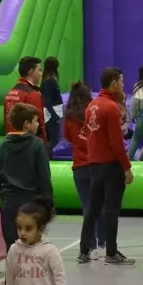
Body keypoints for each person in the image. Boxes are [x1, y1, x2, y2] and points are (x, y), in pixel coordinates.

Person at [77, 67, 136, 266]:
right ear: (114, 84)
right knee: (111, 210)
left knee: (93, 208)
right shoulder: (111, 107)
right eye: (122, 82)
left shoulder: (91, 106)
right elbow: (116, 142)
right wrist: (126, 168)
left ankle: (84, 250)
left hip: (94, 165)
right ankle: (111, 252)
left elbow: (88, 136)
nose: (123, 85)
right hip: (111, 166)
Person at [0, 103, 52, 252]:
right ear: (26, 124)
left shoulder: (3, 145)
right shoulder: (38, 145)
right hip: (31, 205)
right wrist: (48, 206)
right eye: (35, 121)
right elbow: (44, 178)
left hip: (8, 205)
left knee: (12, 249)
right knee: (31, 249)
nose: (38, 124)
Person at [63, 81, 107, 259]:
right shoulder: (94, 111)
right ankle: (103, 244)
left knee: (88, 208)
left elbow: (67, 137)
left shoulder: (69, 116)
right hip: (97, 164)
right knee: (101, 206)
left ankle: (91, 246)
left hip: (80, 166)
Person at [4, 56, 47, 145]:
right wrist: (43, 146)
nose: (41, 74)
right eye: (39, 70)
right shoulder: (32, 95)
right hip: (28, 146)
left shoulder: (11, 92)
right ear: (31, 72)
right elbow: (39, 126)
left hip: (10, 143)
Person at [41, 56, 63, 153]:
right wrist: (54, 115)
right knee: (55, 139)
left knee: (51, 138)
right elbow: (47, 100)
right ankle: (43, 153)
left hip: (51, 113)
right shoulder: (49, 81)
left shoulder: (47, 80)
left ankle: (46, 155)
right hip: (51, 114)